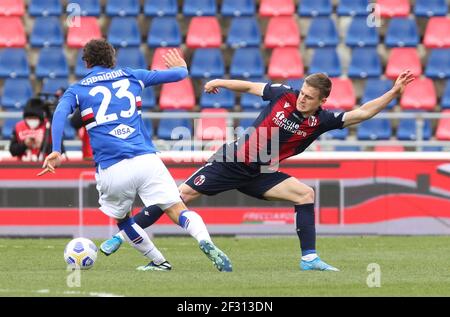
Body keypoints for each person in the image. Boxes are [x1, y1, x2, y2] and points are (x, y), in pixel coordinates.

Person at [101, 70, 415, 271]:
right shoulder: (283, 94)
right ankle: (122, 236)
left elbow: (362, 113)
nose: (302, 98)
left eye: (309, 96)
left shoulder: (321, 121)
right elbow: (251, 86)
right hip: (232, 161)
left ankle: (309, 259)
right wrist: (221, 82)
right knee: (177, 196)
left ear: (322, 100)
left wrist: (393, 92)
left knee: (305, 194)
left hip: (263, 172)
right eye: (302, 92)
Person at [38, 39, 232, 272]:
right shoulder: (132, 76)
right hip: (147, 160)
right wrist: (182, 67)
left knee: (124, 220)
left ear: (86, 62)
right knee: (177, 209)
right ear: (112, 60)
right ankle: (205, 241)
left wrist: (56, 149)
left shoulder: (78, 89)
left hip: (112, 167)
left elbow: (59, 113)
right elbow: (178, 75)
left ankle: (159, 261)